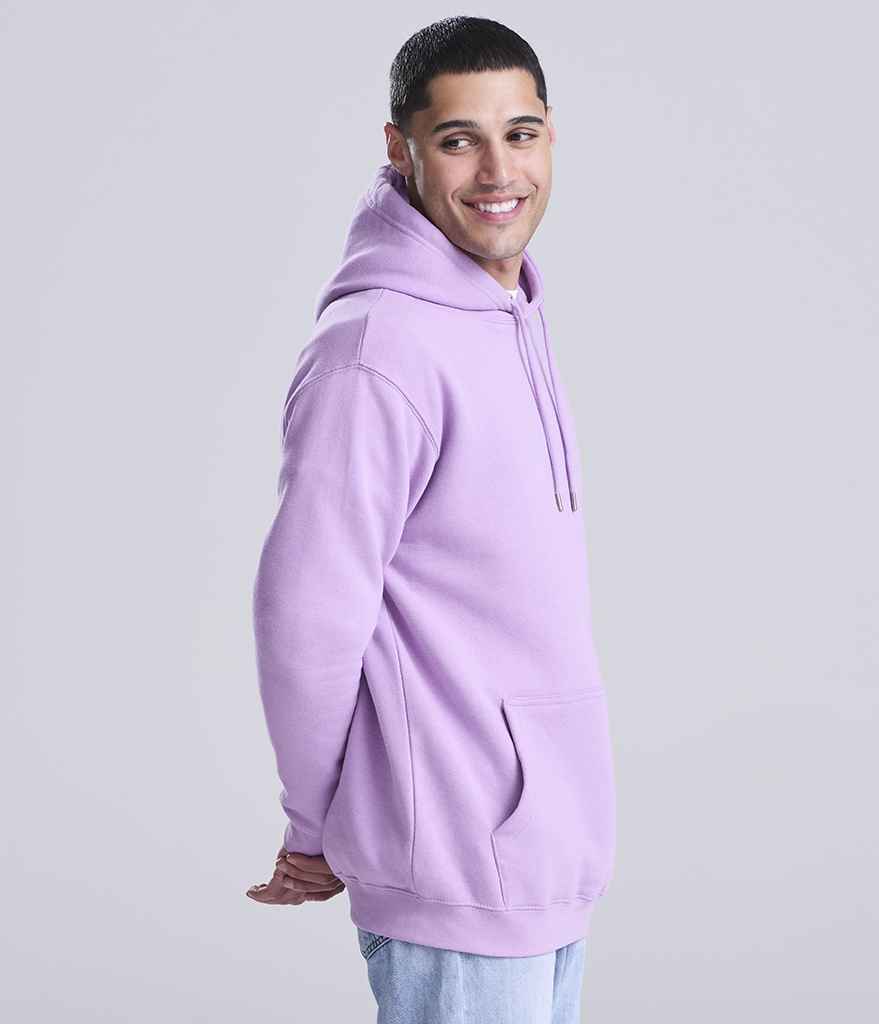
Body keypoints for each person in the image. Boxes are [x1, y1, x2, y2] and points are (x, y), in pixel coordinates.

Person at [246, 16, 617, 1023]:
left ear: (551, 136)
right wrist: (313, 822)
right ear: (400, 148)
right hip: (454, 862)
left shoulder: (508, 314)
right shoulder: (378, 349)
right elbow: (306, 618)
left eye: (521, 133)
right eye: (459, 139)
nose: (499, 171)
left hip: (542, 856)